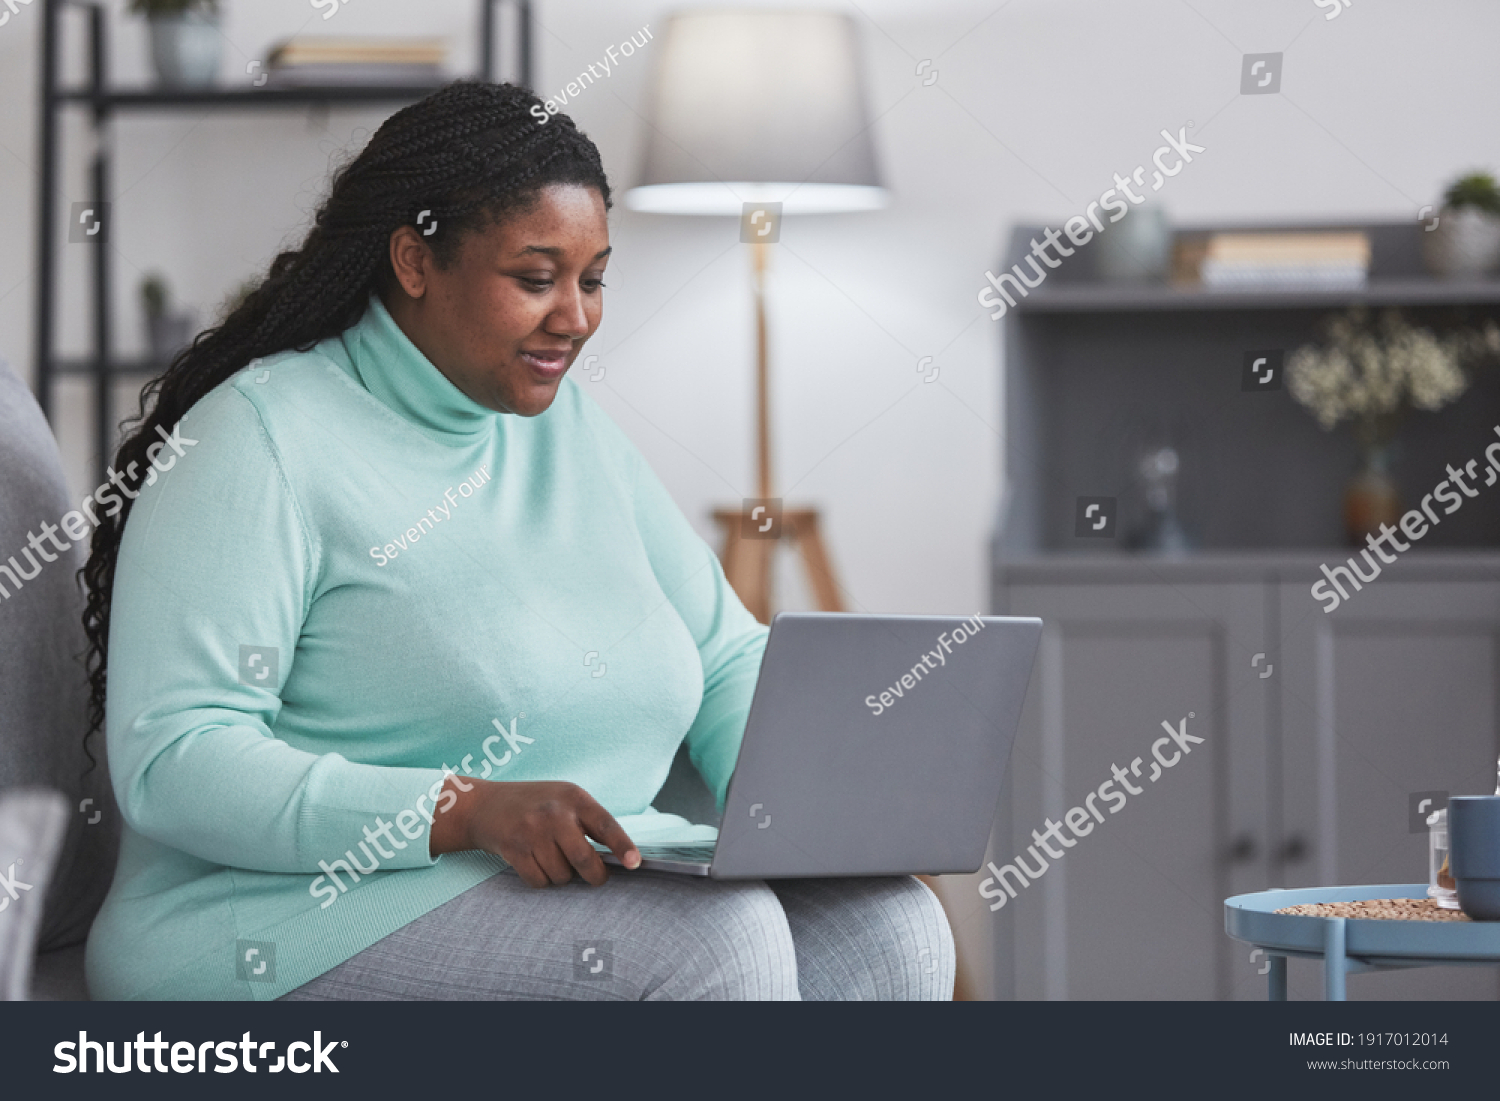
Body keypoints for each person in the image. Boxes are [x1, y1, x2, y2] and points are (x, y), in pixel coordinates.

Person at [81, 81, 954, 1001]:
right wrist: (464, 810)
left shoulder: (564, 427)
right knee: (716, 944)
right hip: (279, 920)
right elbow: (175, 759)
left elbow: (725, 650)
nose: (574, 317)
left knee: (887, 926)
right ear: (415, 261)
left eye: (593, 278)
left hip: (562, 882)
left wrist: (793, 812)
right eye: (536, 279)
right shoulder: (256, 438)